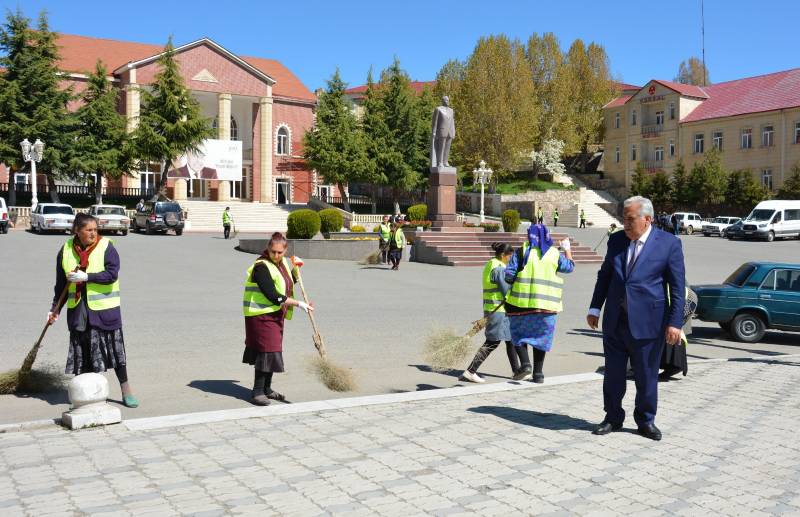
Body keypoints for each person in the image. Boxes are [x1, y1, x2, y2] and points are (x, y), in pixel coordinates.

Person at [587, 196, 685, 441]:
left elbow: (677, 286)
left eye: (630, 219)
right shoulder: (616, 240)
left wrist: (675, 322)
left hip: (649, 324)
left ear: (647, 219)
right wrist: (595, 307)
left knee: (647, 375)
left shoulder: (669, 243)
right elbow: (605, 275)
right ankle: (612, 417)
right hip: (615, 322)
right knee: (613, 375)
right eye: (623, 219)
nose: (625, 224)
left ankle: (645, 420)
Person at [48, 213, 138, 408]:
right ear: (77, 231)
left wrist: (86, 277)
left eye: (95, 230)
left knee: (116, 352)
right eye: (89, 230)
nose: (93, 234)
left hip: (104, 310)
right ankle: (86, 394)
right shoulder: (65, 250)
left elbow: (111, 274)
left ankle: (126, 390)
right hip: (79, 310)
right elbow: (61, 284)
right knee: (83, 353)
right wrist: (54, 309)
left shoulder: (107, 247)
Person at [242, 232, 312, 406]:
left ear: (285, 250)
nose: (276, 255)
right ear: (268, 248)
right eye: (273, 251)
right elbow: (273, 294)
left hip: (275, 314)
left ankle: (267, 388)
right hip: (259, 314)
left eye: (280, 252)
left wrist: (295, 272)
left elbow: (285, 285)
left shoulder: (282, 265)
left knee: (272, 351)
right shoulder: (261, 266)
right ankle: (257, 392)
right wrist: (299, 304)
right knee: (266, 351)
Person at [504, 224, 575, 383]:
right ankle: (538, 374)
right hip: (547, 306)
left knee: (518, 334)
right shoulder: (554, 253)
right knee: (541, 338)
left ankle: (526, 364)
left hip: (520, 304)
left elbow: (508, 276)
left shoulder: (522, 251)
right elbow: (569, 267)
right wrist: (567, 249)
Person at [461, 243, 532, 383]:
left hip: (498, 310)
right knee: (492, 342)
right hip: (498, 310)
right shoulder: (498, 268)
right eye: (510, 256)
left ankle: (517, 371)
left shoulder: (493, 264)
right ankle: (470, 371)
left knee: (510, 340)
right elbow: (507, 290)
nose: (511, 259)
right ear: (502, 255)